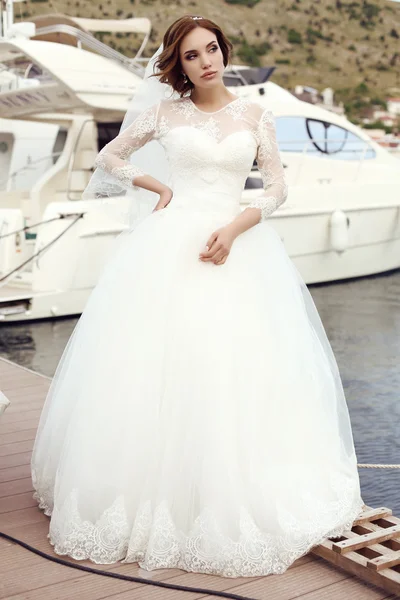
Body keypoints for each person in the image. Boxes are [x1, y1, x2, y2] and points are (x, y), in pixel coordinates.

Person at [31, 15, 364, 577]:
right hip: (168, 247)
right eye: (191, 55)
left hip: (237, 246)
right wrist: (157, 184)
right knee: (153, 367)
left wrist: (236, 228)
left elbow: (278, 186)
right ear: (178, 64)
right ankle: (149, 494)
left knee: (233, 368)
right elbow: (110, 157)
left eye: (212, 49)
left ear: (224, 51)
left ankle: (228, 488)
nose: (206, 61)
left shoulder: (256, 114)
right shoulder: (164, 113)